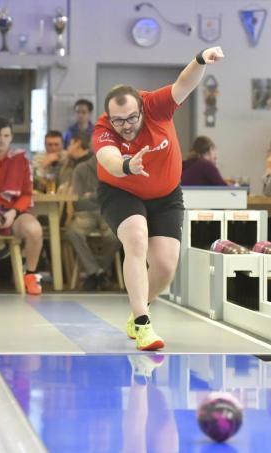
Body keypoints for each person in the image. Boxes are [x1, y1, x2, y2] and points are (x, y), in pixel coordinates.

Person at [92, 46, 225, 350]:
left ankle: (139, 307)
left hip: (166, 195)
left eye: (131, 118)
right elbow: (109, 158)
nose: (125, 126)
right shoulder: (103, 128)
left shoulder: (156, 106)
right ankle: (142, 323)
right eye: (118, 121)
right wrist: (127, 165)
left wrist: (201, 59)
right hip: (121, 192)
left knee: (165, 266)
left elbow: (184, 83)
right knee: (136, 239)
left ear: (141, 107)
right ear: (109, 117)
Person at [0, 117, 45, 295]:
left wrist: (13, 212)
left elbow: (27, 194)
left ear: (11, 137)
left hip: (12, 212)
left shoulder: (20, 160)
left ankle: (31, 275)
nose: (2, 140)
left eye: (6, 135)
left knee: (34, 229)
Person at [64, 148, 122, 290]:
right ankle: (98, 272)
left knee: (116, 235)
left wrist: (91, 195)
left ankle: (95, 271)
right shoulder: (81, 169)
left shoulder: (117, 168)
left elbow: (117, 197)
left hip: (109, 212)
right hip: (85, 213)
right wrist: (100, 196)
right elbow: (77, 200)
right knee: (72, 232)